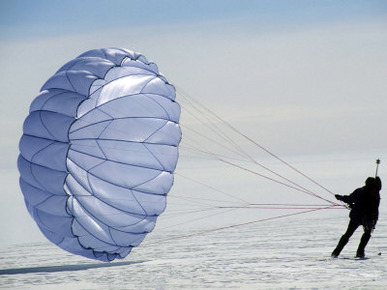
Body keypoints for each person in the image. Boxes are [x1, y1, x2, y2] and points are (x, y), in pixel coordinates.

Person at [331, 176, 382, 258]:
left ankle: (336, 253)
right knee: (367, 234)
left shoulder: (360, 191)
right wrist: (377, 179)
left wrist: (340, 197)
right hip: (370, 218)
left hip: (357, 217)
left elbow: (349, 199)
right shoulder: (376, 192)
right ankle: (360, 252)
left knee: (348, 234)